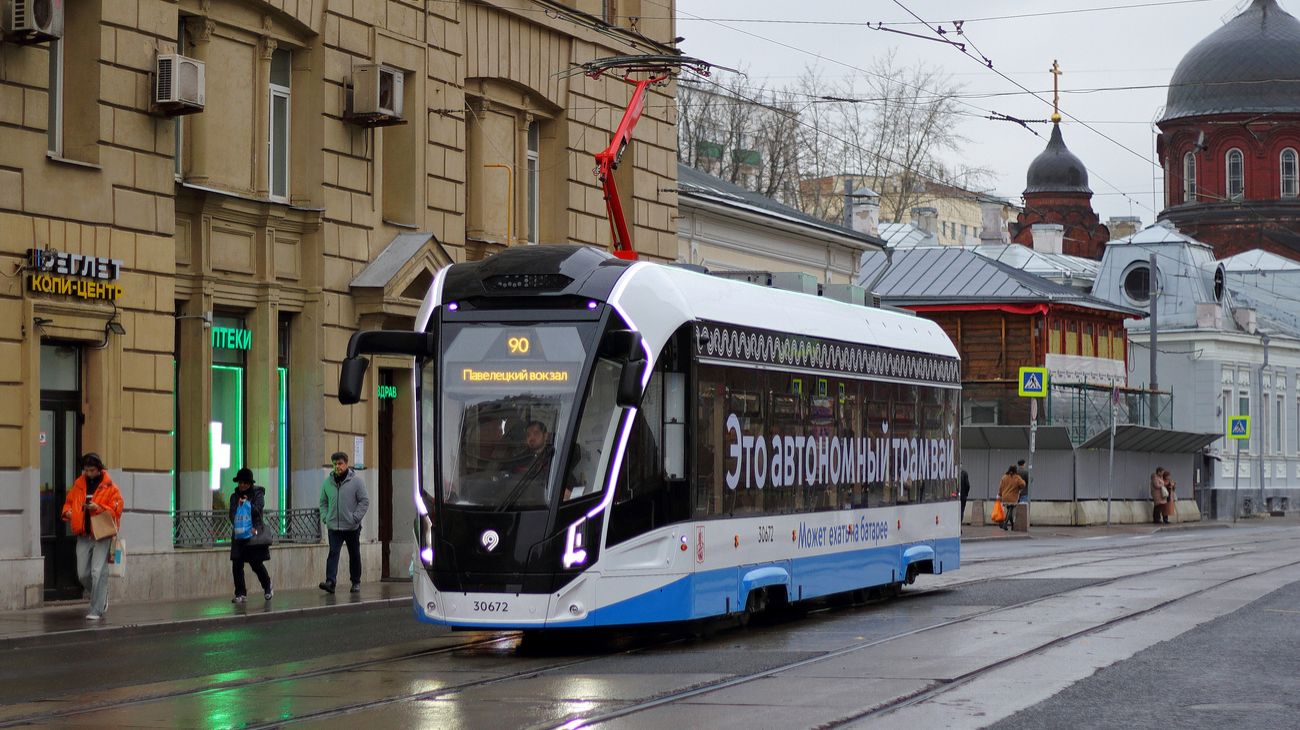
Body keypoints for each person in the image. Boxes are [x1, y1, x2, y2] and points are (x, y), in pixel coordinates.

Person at [60, 453, 124, 620]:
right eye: (86, 470)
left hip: (102, 534)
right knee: (82, 574)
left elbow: (117, 509)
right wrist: (67, 512)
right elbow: (69, 502)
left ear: (99, 469)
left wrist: (98, 507)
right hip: (83, 534)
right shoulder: (78, 485)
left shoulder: (110, 487)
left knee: (97, 572)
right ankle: (101, 593)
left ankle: (97, 609)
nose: (88, 473)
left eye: (92, 470)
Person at [319, 452, 369, 594]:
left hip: (352, 526)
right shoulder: (327, 483)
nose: (337, 467)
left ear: (346, 464)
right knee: (333, 553)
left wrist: (355, 518)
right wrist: (325, 517)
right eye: (334, 464)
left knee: (354, 554)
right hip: (334, 526)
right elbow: (323, 502)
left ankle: (355, 582)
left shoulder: (357, 482)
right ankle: (330, 582)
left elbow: (364, 501)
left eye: (340, 463)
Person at [229, 468, 272, 603]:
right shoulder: (234, 496)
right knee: (237, 564)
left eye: (245, 483)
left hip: (253, 534)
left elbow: (258, 509)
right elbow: (232, 514)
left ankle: (267, 585)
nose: (242, 485)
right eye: (240, 483)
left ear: (250, 484)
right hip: (239, 534)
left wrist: (247, 503)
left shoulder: (257, 494)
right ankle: (240, 593)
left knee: (256, 564)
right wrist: (238, 521)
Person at [997, 465, 1026, 531]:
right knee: (1010, 509)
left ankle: (1012, 525)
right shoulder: (1017, 477)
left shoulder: (1004, 477)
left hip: (1005, 496)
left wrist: (999, 494)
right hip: (1013, 497)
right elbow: (1023, 484)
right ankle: (1005, 523)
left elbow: (1000, 487)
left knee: (1009, 510)